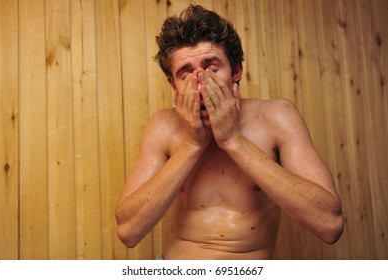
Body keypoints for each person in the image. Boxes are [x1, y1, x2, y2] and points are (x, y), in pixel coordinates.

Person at [115, 5, 343, 260]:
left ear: (236, 71)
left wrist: (233, 140)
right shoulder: (163, 126)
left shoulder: (278, 116)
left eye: (211, 68)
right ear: (174, 85)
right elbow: (128, 230)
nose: (200, 84)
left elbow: (330, 224)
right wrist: (191, 144)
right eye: (185, 73)